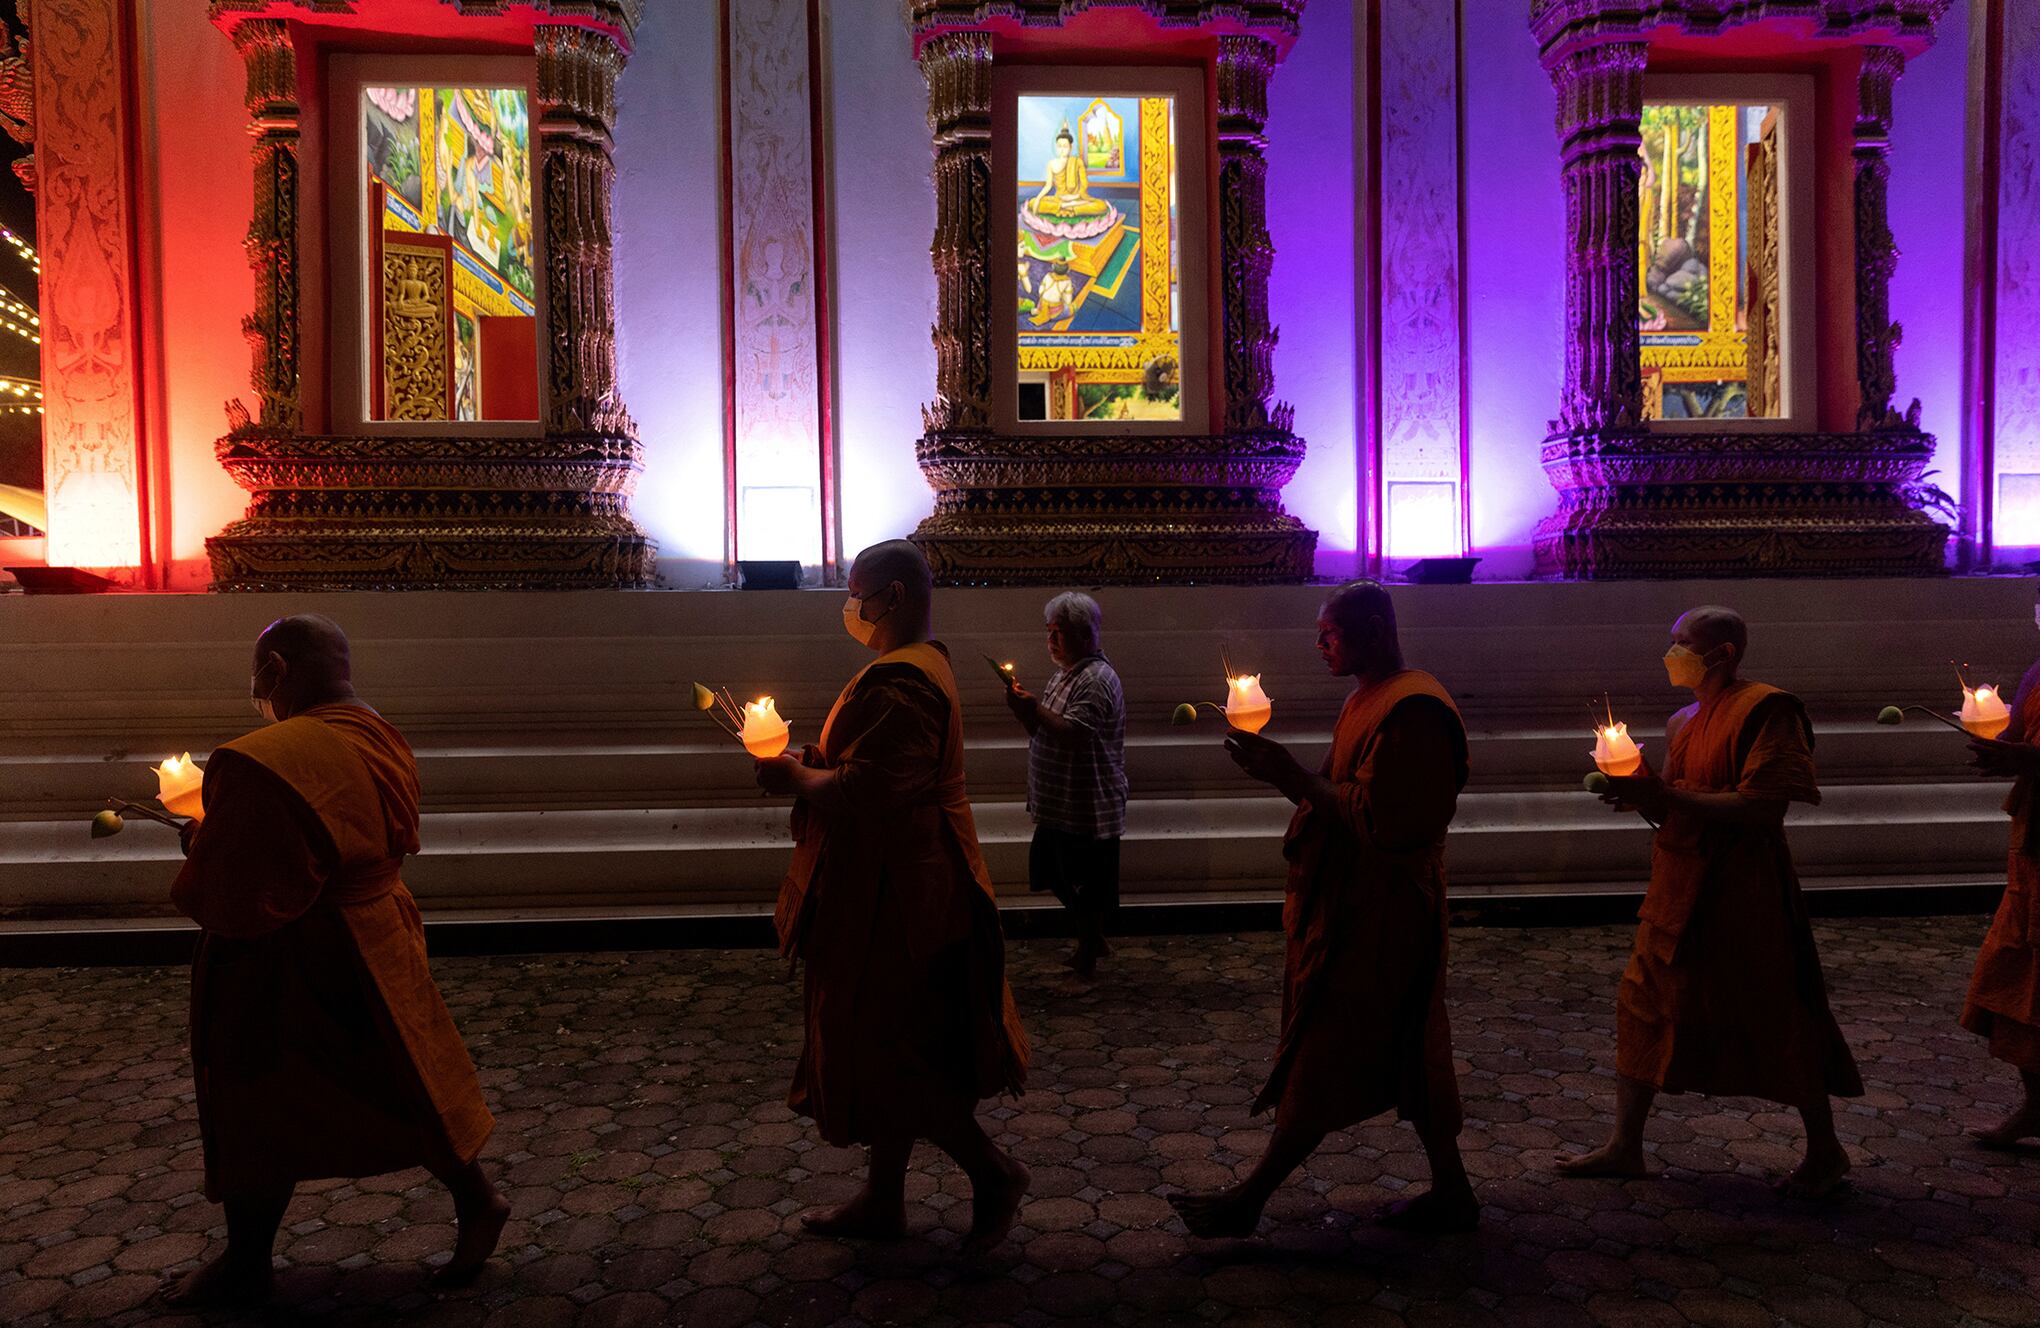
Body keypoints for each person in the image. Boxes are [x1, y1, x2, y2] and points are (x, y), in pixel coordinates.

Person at [164, 615, 505, 1308]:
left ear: (279, 671)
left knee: (256, 1094)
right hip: (378, 929)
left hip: (304, 950)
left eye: (259, 675)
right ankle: (254, 1254)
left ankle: (248, 1259)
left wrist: (204, 845)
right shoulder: (374, 729)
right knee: (408, 1078)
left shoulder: (262, 759)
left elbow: (240, 893)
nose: (256, 691)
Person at [1170, 581, 1479, 1237]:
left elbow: (1384, 826)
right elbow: (1343, 798)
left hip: (1384, 912)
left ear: (1373, 626)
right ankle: (1453, 1189)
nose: (1319, 645)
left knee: (1327, 1048)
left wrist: (1292, 777)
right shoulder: (1369, 699)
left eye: (1330, 633)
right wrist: (1290, 779)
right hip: (1355, 898)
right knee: (1405, 1044)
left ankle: (1250, 1199)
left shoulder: (1415, 709)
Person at [757, 539, 1031, 1251]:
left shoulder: (903, 680)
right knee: (889, 1043)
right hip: (891, 879)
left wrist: (796, 780)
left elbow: (870, 789)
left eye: (860, 593)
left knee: (896, 1051)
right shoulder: (912, 667)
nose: (853, 607)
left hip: (902, 895)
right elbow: (868, 769)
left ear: (897, 597)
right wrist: (814, 763)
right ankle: (883, 1199)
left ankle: (993, 1173)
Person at [1562, 605, 1862, 1197]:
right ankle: (1626, 1144)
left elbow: (1761, 805)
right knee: (1641, 1003)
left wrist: (1667, 795)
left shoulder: (1768, 709)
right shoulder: (1682, 722)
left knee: (1774, 1009)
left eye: (1684, 643)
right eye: (1672, 640)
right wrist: (1639, 793)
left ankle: (1825, 1149)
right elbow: (1670, 802)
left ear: (1722, 654)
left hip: (1743, 888)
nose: (1672, 653)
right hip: (1676, 886)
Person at [1004, 591, 1128, 978]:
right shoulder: (1066, 673)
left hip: (1084, 802)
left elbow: (1075, 733)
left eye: (1060, 632)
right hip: (1060, 801)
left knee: (1083, 883)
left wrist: (1033, 709)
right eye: (1049, 632)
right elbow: (1044, 729)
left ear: (1086, 635)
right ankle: (1092, 940)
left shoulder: (1094, 680)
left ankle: (1089, 952)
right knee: (1051, 870)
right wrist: (1024, 712)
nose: (1051, 641)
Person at [1959, 585, 2040, 1147]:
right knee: (2018, 973)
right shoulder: (2037, 673)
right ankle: (2038, 1104)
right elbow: (2016, 735)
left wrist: (2025, 757)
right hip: (2034, 843)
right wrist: (1996, 745)